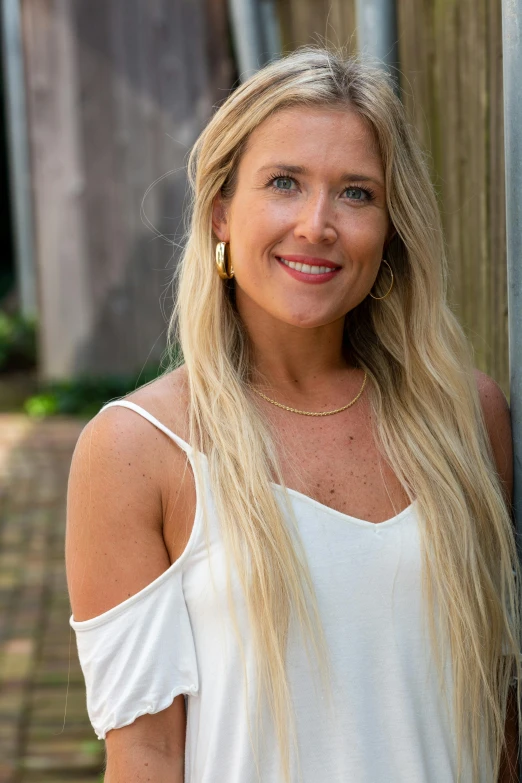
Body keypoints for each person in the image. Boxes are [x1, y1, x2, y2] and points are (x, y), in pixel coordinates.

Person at [66, 48, 521, 783]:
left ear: (391, 228)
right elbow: (145, 756)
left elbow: (501, 720)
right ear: (221, 211)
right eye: (284, 183)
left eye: (356, 193)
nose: (317, 224)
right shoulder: (137, 449)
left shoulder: (466, 419)